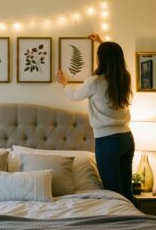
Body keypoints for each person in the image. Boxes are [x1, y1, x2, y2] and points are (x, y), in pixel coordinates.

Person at [56, 34, 135, 203]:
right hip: (127, 139)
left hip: (108, 141)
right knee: (127, 191)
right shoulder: (123, 78)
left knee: (114, 193)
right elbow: (112, 56)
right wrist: (101, 43)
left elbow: (74, 95)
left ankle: (117, 224)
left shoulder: (95, 82)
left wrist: (64, 82)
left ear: (102, 59)